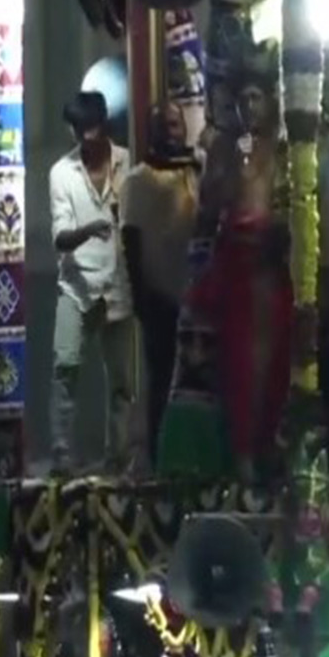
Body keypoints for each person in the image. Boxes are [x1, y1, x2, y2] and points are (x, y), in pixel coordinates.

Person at [191, 71, 294, 478]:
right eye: (244, 99)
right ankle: (243, 454)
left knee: (277, 356)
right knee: (240, 360)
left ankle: (270, 445)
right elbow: (211, 201)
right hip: (236, 260)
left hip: (272, 260)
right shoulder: (229, 149)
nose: (251, 107)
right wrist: (233, 163)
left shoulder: (283, 150)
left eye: (258, 98)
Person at [48, 90, 136, 473]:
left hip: (119, 283)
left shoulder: (127, 164)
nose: (85, 138)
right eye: (78, 130)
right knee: (65, 367)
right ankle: (61, 456)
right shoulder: (61, 173)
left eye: (91, 129)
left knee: (122, 381)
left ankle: (118, 456)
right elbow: (59, 237)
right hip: (76, 286)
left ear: (103, 126)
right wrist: (89, 230)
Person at [120, 103, 200, 463]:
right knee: (163, 381)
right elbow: (131, 243)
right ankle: (157, 456)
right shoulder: (138, 179)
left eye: (176, 124)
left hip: (197, 296)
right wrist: (142, 299)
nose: (172, 131)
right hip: (160, 297)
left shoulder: (195, 172)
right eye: (164, 125)